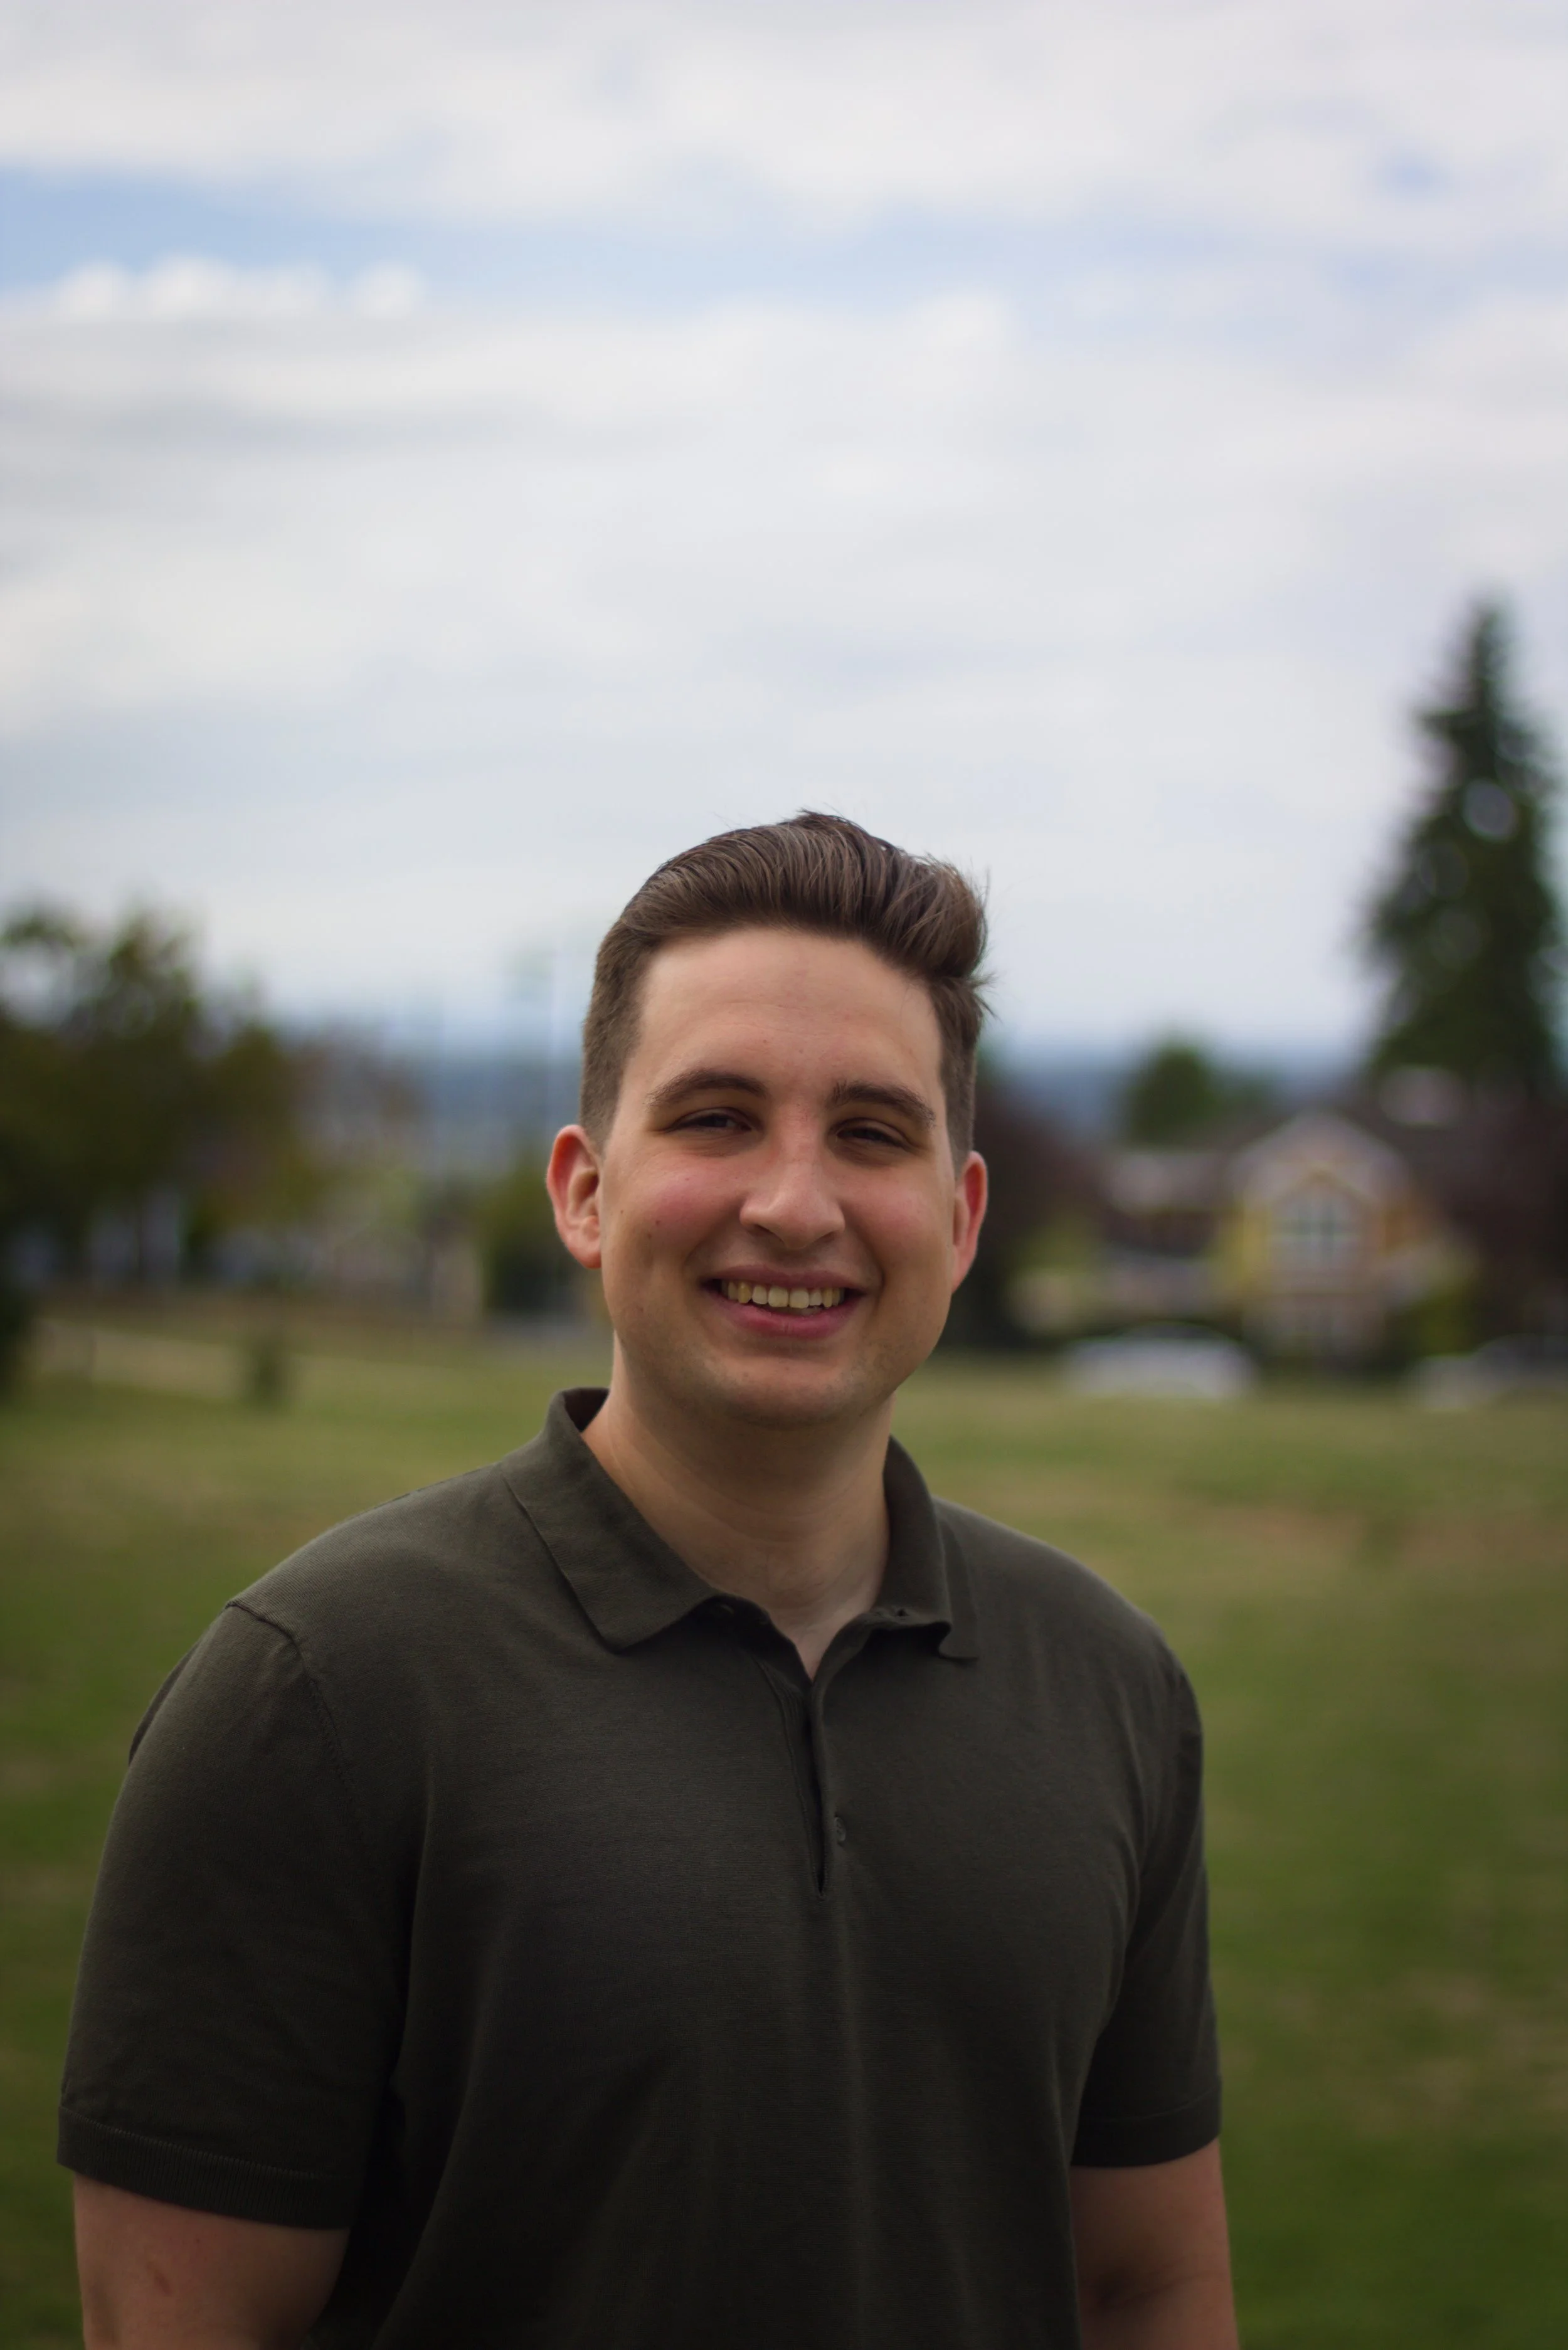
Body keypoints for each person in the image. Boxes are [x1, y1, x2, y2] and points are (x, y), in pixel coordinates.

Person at [62, 813, 1236, 2349]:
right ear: (583, 1190)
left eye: (870, 1132)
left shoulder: (1109, 1687)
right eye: (717, 1118)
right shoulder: (313, 1694)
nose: (795, 1204)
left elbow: (1140, 2288)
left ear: (955, 1221)